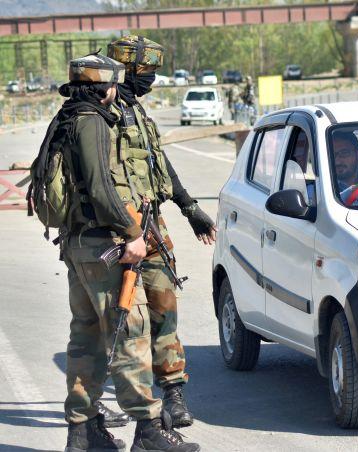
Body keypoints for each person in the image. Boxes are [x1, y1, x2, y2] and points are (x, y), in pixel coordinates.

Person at [49, 53, 199, 451]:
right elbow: (102, 189)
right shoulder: (92, 122)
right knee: (128, 333)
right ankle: (149, 430)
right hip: (105, 247)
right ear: (105, 87)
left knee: (86, 338)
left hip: (77, 244)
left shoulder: (64, 118)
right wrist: (133, 233)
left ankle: (83, 433)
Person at [106, 35, 216, 430]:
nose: (151, 80)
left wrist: (188, 206)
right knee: (123, 319)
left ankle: (172, 392)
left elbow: (156, 160)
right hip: (118, 232)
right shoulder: (100, 113)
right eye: (145, 72)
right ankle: (126, 401)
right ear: (125, 70)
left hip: (152, 225)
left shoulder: (135, 111)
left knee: (164, 308)